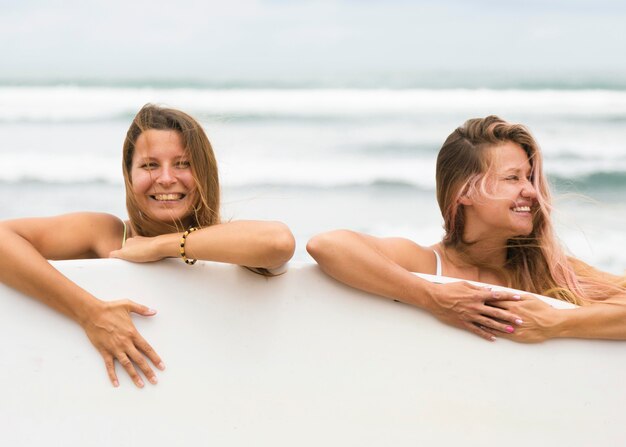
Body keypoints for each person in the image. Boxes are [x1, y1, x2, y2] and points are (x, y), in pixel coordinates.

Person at [0, 104, 295, 388]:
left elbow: (278, 242)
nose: (166, 179)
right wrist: (90, 313)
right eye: (149, 165)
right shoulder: (108, 234)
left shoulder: (226, 241)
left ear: (205, 172)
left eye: (183, 164)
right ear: (129, 175)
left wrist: (159, 247)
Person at [307, 115, 626, 342]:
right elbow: (328, 245)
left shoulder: (547, 273)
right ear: (465, 192)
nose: (531, 190)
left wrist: (557, 322)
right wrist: (435, 298)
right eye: (512, 178)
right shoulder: (427, 265)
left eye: (529, 177)